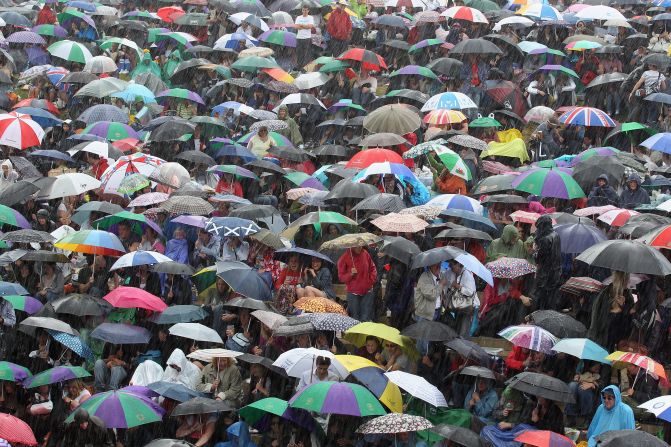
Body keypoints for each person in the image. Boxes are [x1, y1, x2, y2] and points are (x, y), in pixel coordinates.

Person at [337, 245, 377, 322]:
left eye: (361, 246)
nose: (360, 248)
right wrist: (350, 274)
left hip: (367, 292)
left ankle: (364, 334)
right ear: (352, 246)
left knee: (366, 319)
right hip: (353, 293)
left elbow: (373, 268)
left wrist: (370, 281)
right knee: (354, 319)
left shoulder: (365, 253)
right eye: (357, 246)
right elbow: (341, 277)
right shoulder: (344, 257)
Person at [532, 215, 562, 310]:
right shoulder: (556, 235)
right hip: (555, 271)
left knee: (542, 298)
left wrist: (534, 252)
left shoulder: (545, 239)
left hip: (545, 274)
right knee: (551, 298)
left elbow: (539, 258)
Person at [444, 259, 477, 337]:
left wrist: (458, 287)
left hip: (466, 307)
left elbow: (471, 292)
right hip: (457, 306)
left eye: (452, 265)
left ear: (458, 264)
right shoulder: (451, 273)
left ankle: (462, 346)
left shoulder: (467, 274)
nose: (449, 267)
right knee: (456, 329)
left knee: (463, 331)